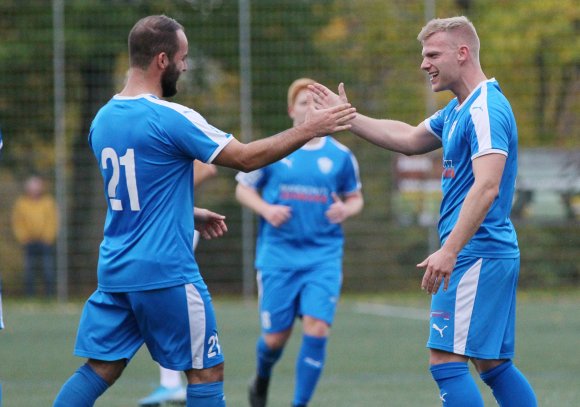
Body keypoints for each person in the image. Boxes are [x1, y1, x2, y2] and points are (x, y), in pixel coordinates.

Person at [53, 15, 355, 407]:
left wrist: (186, 211)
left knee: (100, 368)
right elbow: (245, 159)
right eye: (183, 57)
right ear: (163, 60)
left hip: (116, 269)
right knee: (205, 371)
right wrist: (311, 128)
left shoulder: (102, 120)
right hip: (165, 270)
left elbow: (133, 192)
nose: (186, 65)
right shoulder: (169, 117)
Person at [310, 16, 537, 407]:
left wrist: (449, 251)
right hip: (483, 252)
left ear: (462, 53)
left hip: (476, 253)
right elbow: (409, 138)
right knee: (492, 363)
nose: (424, 64)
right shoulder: (457, 109)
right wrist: (348, 117)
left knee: (445, 361)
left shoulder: (485, 109)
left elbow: (487, 187)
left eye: (432, 54)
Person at [237, 78, 364, 407]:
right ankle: (262, 376)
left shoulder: (341, 155)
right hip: (278, 256)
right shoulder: (275, 149)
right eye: (304, 103)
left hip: (323, 255)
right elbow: (243, 188)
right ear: (292, 109)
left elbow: (355, 198)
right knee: (275, 338)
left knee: (318, 327)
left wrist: (345, 209)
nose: (311, 108)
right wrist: (266, 208)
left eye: (317, 103)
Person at [138, 161, 218, 406]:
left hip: (173, 223)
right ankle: (171, 382)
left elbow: (207, 168)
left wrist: (163, 195)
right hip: (166, 223)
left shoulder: (174, 128)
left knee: (165, 302)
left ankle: (174, 383)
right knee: (159, 304)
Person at [11, 175, 58, 297]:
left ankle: (49, 295)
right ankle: (30, 295)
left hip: (45, 242)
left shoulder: (48, 202)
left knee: (47, 269)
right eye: (32, 188)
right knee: (29, 270)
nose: (34, 190)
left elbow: (52, 221)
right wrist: (23, 237)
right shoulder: (21, 203)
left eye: (36, 187)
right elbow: (17, 222)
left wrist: (48, 237)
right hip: (28, 241)